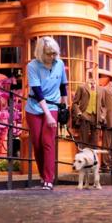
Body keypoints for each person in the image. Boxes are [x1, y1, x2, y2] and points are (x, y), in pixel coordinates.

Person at [26, 36, 68, 190]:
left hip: (53, 106)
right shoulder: (32, 66)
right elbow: (37, 92)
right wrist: (47, 115)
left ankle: (49, 179)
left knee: (47, 142)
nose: (52, 57)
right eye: (49, 54)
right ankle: (43, 176)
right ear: (41, 53)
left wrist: (65, 105)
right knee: (37, 144)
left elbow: (63, 86)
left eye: (54, 54)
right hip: (34, 106)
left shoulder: (60, 64)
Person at [71, 77, 103, 148]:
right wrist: (79, 113)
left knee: (95, 141)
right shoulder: (82, 87)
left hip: (96, 117)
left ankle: (93, 157)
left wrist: (102, 115)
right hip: (85, 115)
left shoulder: (100, 89)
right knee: (83, 139)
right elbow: (75, 103)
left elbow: (104, 104)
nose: (93, 82)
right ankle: (84, 156)